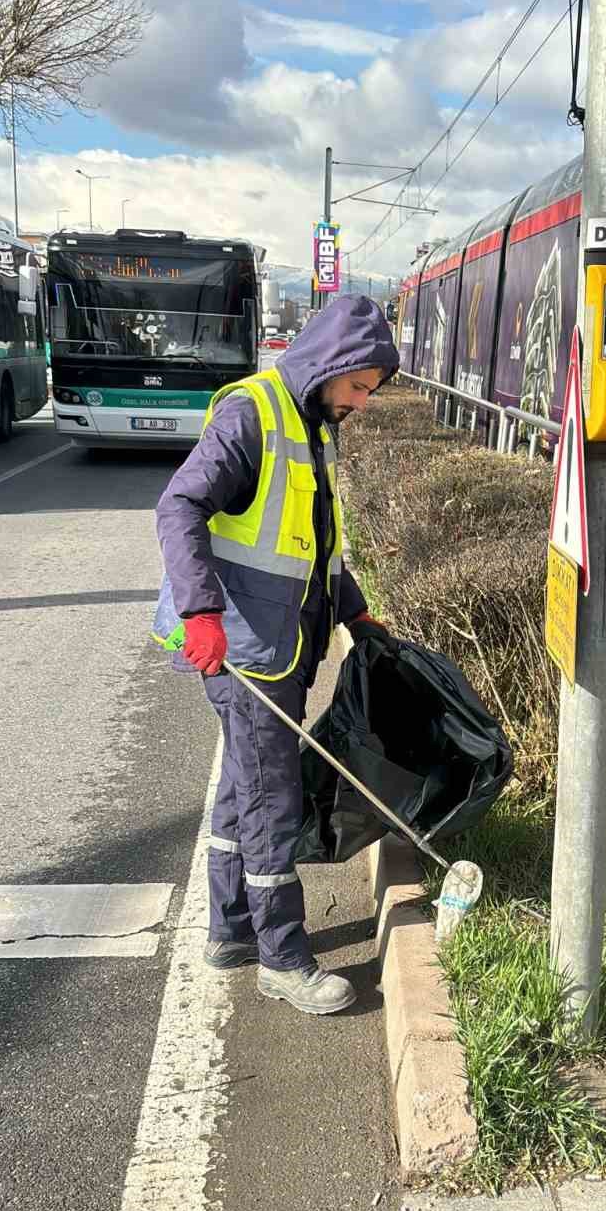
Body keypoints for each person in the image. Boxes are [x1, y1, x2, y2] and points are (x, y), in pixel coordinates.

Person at [153, 294, 399, 1016]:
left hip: (279, 641)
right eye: (358, 385)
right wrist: (200, 612)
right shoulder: (252, 414)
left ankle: (229, 931)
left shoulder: (313, 423)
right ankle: (283, 960)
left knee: (244, 785)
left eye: (369, 391)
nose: (360, 401)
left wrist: (353, 608)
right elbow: (179, 507)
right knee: (272, 799)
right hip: (242, 647)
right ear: (331, 362)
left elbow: (312, 541)